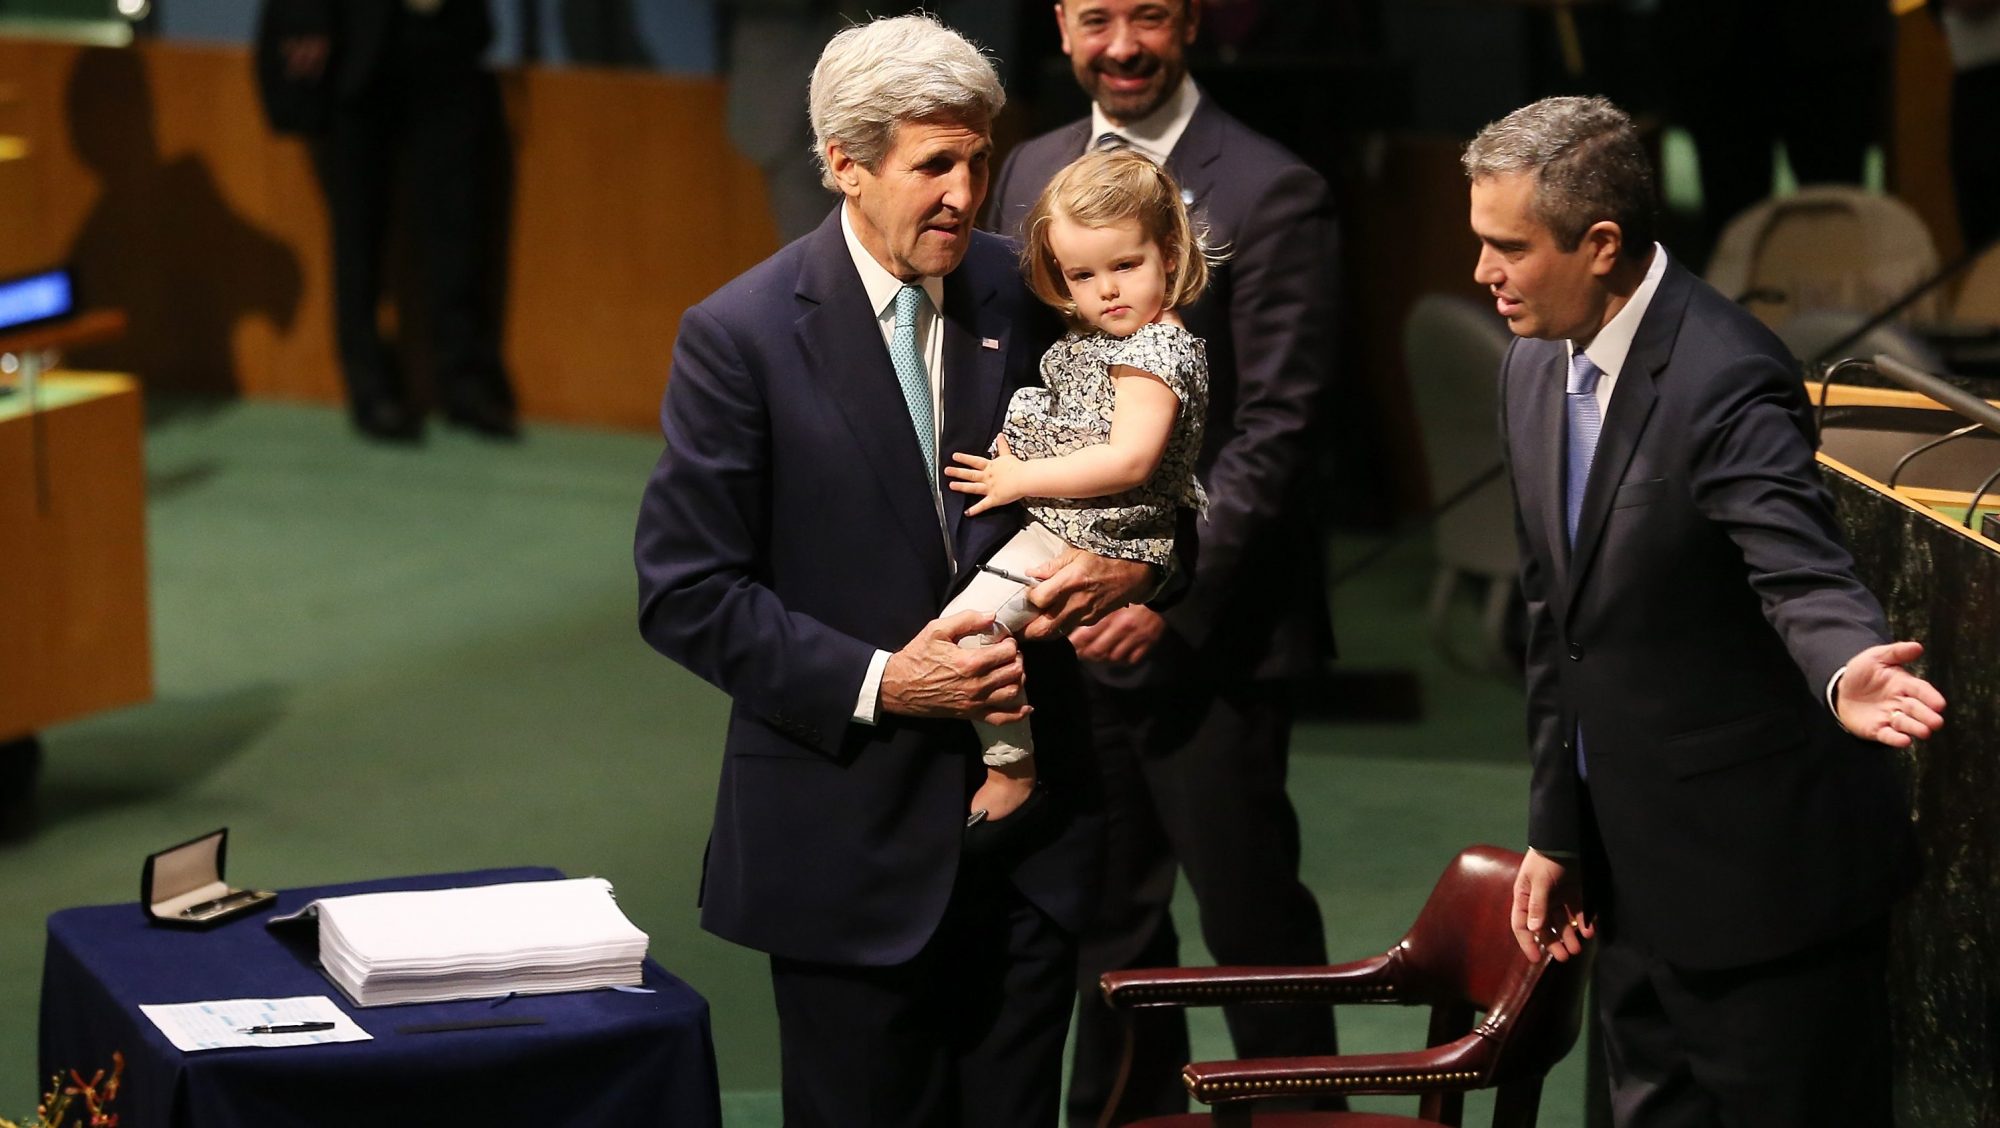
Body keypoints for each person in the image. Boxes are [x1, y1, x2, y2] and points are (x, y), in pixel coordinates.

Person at [633, 15, 1161, 1126]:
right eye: (934, 165)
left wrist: (1142, 574)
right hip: (848, 855)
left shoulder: (1025, 291)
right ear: (843, 165)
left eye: (977, 158)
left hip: (1030, 850)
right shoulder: (738, 337)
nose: (965, 194)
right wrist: (885, 681)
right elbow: (685, 592)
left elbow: (1153, 471)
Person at [1465, 95, 1947, 1126]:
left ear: (1599, 245)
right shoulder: (1525, 366)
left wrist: (1843, 663)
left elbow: (1796, 566)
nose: (1481, 274)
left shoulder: (1725, 373)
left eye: (1506, 247)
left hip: (1765, 895)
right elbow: (1563, 623)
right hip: (1627, 880)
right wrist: (1557, 829)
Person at [983, 0, 1340, 1119]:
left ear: (1188, 19)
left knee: (1250, 920)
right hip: (1069, 626)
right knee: (1106, 923)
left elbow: (1278, 425)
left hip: (1211, 637)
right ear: (1061, 25)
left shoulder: (1274, 187)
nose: (1122, 42)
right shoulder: (1029, 170)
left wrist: (1164, 585)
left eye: (1146, 12)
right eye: (1096, 17)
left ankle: (1297, 1124)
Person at [944, 148, 1210, 827]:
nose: (1108, 291)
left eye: (1127, 265)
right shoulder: (1106, 336)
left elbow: (1128, 461)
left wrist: (1017, 476)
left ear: (1170, 255)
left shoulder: (1156, 349)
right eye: (1083, 275)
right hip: (1063, 525)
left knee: (963, 633)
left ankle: (1010, 770)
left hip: (1092, 535)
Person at [284, 0, 517, 441]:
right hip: (361, 40)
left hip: (448, 36)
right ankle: (370, 388)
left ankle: (465, 382)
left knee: (458, 225)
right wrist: (307, 17)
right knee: (358, 231)